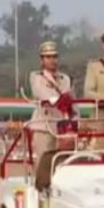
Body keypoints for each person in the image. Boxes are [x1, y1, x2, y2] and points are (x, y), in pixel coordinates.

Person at [28, 41, 73, 186]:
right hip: (44, 126)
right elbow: (43, 94)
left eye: (54, 57)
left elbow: (71, 101)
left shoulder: (65, 79)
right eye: (48, 57)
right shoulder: (36, 77)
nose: (52, 60)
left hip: (62, 127)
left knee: (62, 162)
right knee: (44, 163)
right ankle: (41, 192)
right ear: (42, 60)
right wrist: (59, 100)